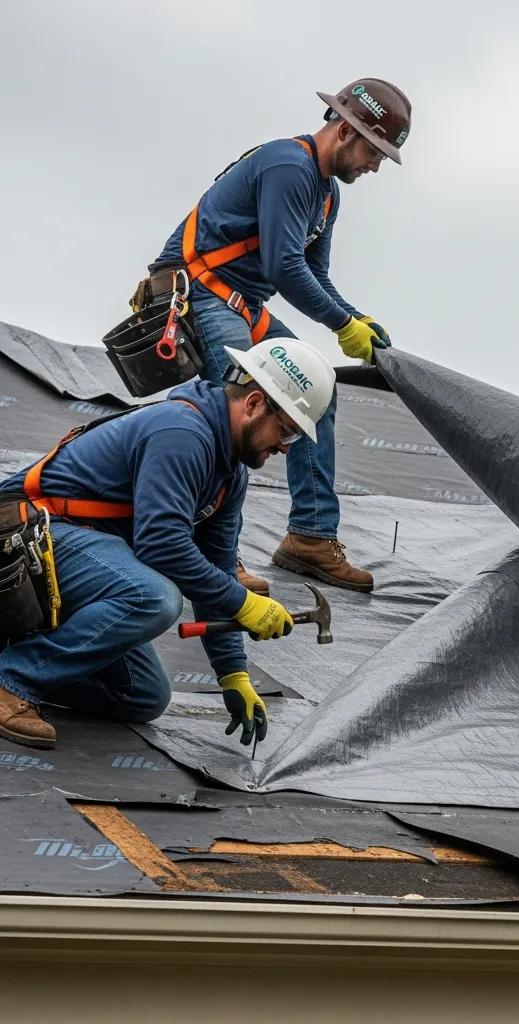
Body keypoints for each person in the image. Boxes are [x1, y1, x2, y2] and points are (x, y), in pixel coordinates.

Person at [0, 340, 336, 751]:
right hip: (21, 539)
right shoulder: (181, 433)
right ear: (252, 404)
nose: (286, 446)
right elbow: (162, 544)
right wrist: (243, 604)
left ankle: (21, 664)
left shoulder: (230, 474)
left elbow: (219, 567)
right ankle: (12, 680)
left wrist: (234, 674)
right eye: (287, 429)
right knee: (155, 597)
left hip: (67, 558)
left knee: (142, 695)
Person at [145, 79, 412, 594]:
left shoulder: (327, 196)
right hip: (198, 288)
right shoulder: (288, 167)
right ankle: (215, 559)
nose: (376, 165)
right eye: (374, 151)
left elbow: (315, 274)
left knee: (318, 393)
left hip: (240, 302)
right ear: (344, 129)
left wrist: (358, 318)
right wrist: (340, 324)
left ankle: (310, 539)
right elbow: (284, 266)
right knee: (241, 401)